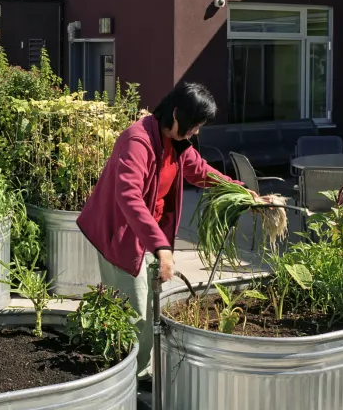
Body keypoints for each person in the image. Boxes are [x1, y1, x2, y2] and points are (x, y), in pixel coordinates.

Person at [76, 80, 246, 382]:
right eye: (194, 124)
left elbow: (202, 171)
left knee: (150, 310)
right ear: (176, 113)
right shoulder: (137, 140)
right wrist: (161, 246)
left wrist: (245, 194)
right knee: (137, 314)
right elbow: (128, 195)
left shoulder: (178, 144)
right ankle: (134, 383)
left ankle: (136, 373)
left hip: (148, 238)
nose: (196, 132)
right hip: (123, 236)